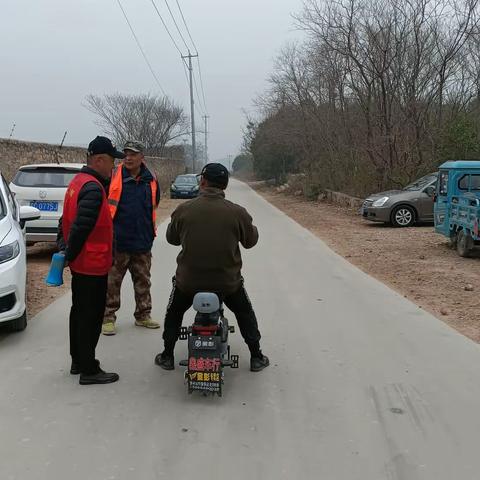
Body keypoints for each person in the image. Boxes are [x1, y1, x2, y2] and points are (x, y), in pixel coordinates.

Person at [154, 163, 270, 372]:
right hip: (227, 284)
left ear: (203, 182)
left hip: (188, 283)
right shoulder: (237, 212)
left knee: (174, 312)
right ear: (224, 185)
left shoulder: (184, 209)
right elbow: (250, 241)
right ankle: (256, 356)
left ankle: (167, 355)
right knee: (244, 312)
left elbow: (172, 239)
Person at [57, 136, 124, 385]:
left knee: (79, 312)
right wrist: (69, 253)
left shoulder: (78, 182)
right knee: (91, 316)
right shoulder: (94, 188)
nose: (113, 167)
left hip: (83, 263)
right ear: (98, 160)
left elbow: (64, 221)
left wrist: (65, 250)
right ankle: (89, 368)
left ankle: (78, 360)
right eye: (110, 162)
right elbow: (80, 227)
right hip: (91, 264)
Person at [101, 140, 160, 335]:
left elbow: (155, 203)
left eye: (133, 154)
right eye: (126, 154)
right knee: (111, 283)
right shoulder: (113, 175)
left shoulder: (150, 179)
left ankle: (143, 315)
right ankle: (108, 318)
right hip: (118, 241)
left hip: (142, 241)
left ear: (141, 157)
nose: (128, 157)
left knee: (143, 281)